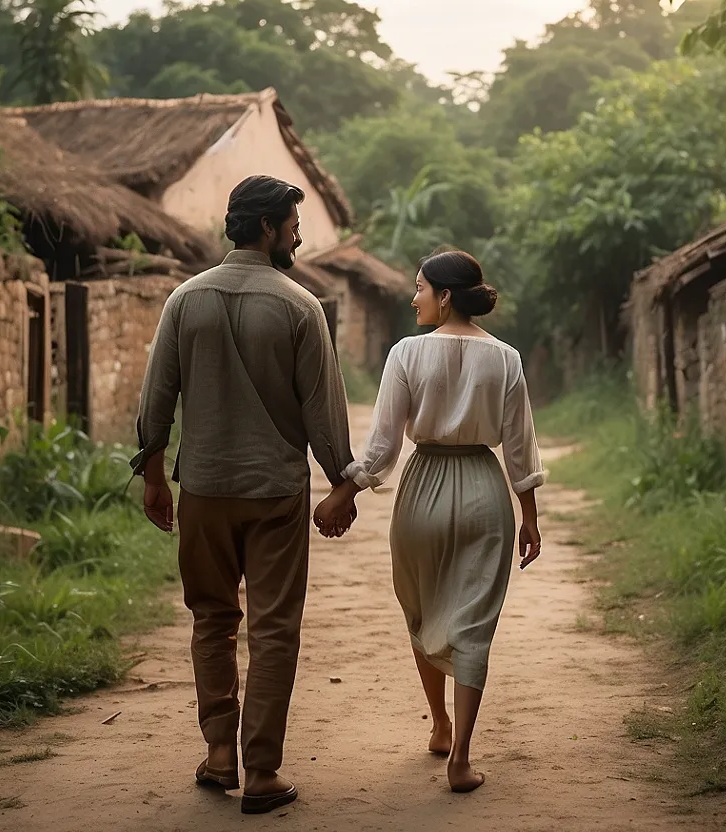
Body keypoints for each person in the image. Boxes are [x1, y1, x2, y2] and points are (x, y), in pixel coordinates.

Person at [131, 174, 357, 815]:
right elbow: (324, 413)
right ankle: (260, 772)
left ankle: (219, 754)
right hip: (274, 495)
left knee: (212, 619)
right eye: (291, 222)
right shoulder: (299, 306)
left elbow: (157, 398)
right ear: (267, 227)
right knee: (274, 630)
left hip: (202, 487)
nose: (298, 233)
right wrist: (342, 482)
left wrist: (153, 475)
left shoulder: (184, 300)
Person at [313, 249, 545, 794]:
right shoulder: (507, 358)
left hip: (423, 490)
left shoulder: (406, 353)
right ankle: (461, 756)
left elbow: (384, 445)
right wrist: (528, 517)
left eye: (419, 288)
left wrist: (342, 492)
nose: (412, 297)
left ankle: (439, 724)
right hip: (485, 493)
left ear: (444, 296)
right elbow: (520, 446)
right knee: (473, 623)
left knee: (422, 607)